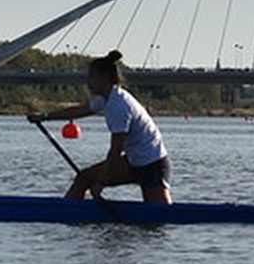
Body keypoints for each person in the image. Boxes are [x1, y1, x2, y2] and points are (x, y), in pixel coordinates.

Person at [29, 50, 173, 203]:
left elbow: (116, 149)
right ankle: (70, 218)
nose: (88, 82)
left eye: (92, 77)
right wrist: (45, 117)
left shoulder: (118, 105)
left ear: (104, 78)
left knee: (158, 221)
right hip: (134, 161)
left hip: (152, 165)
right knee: (84, 178)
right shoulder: (106, 98)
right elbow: (79, 110)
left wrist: (102, 182)